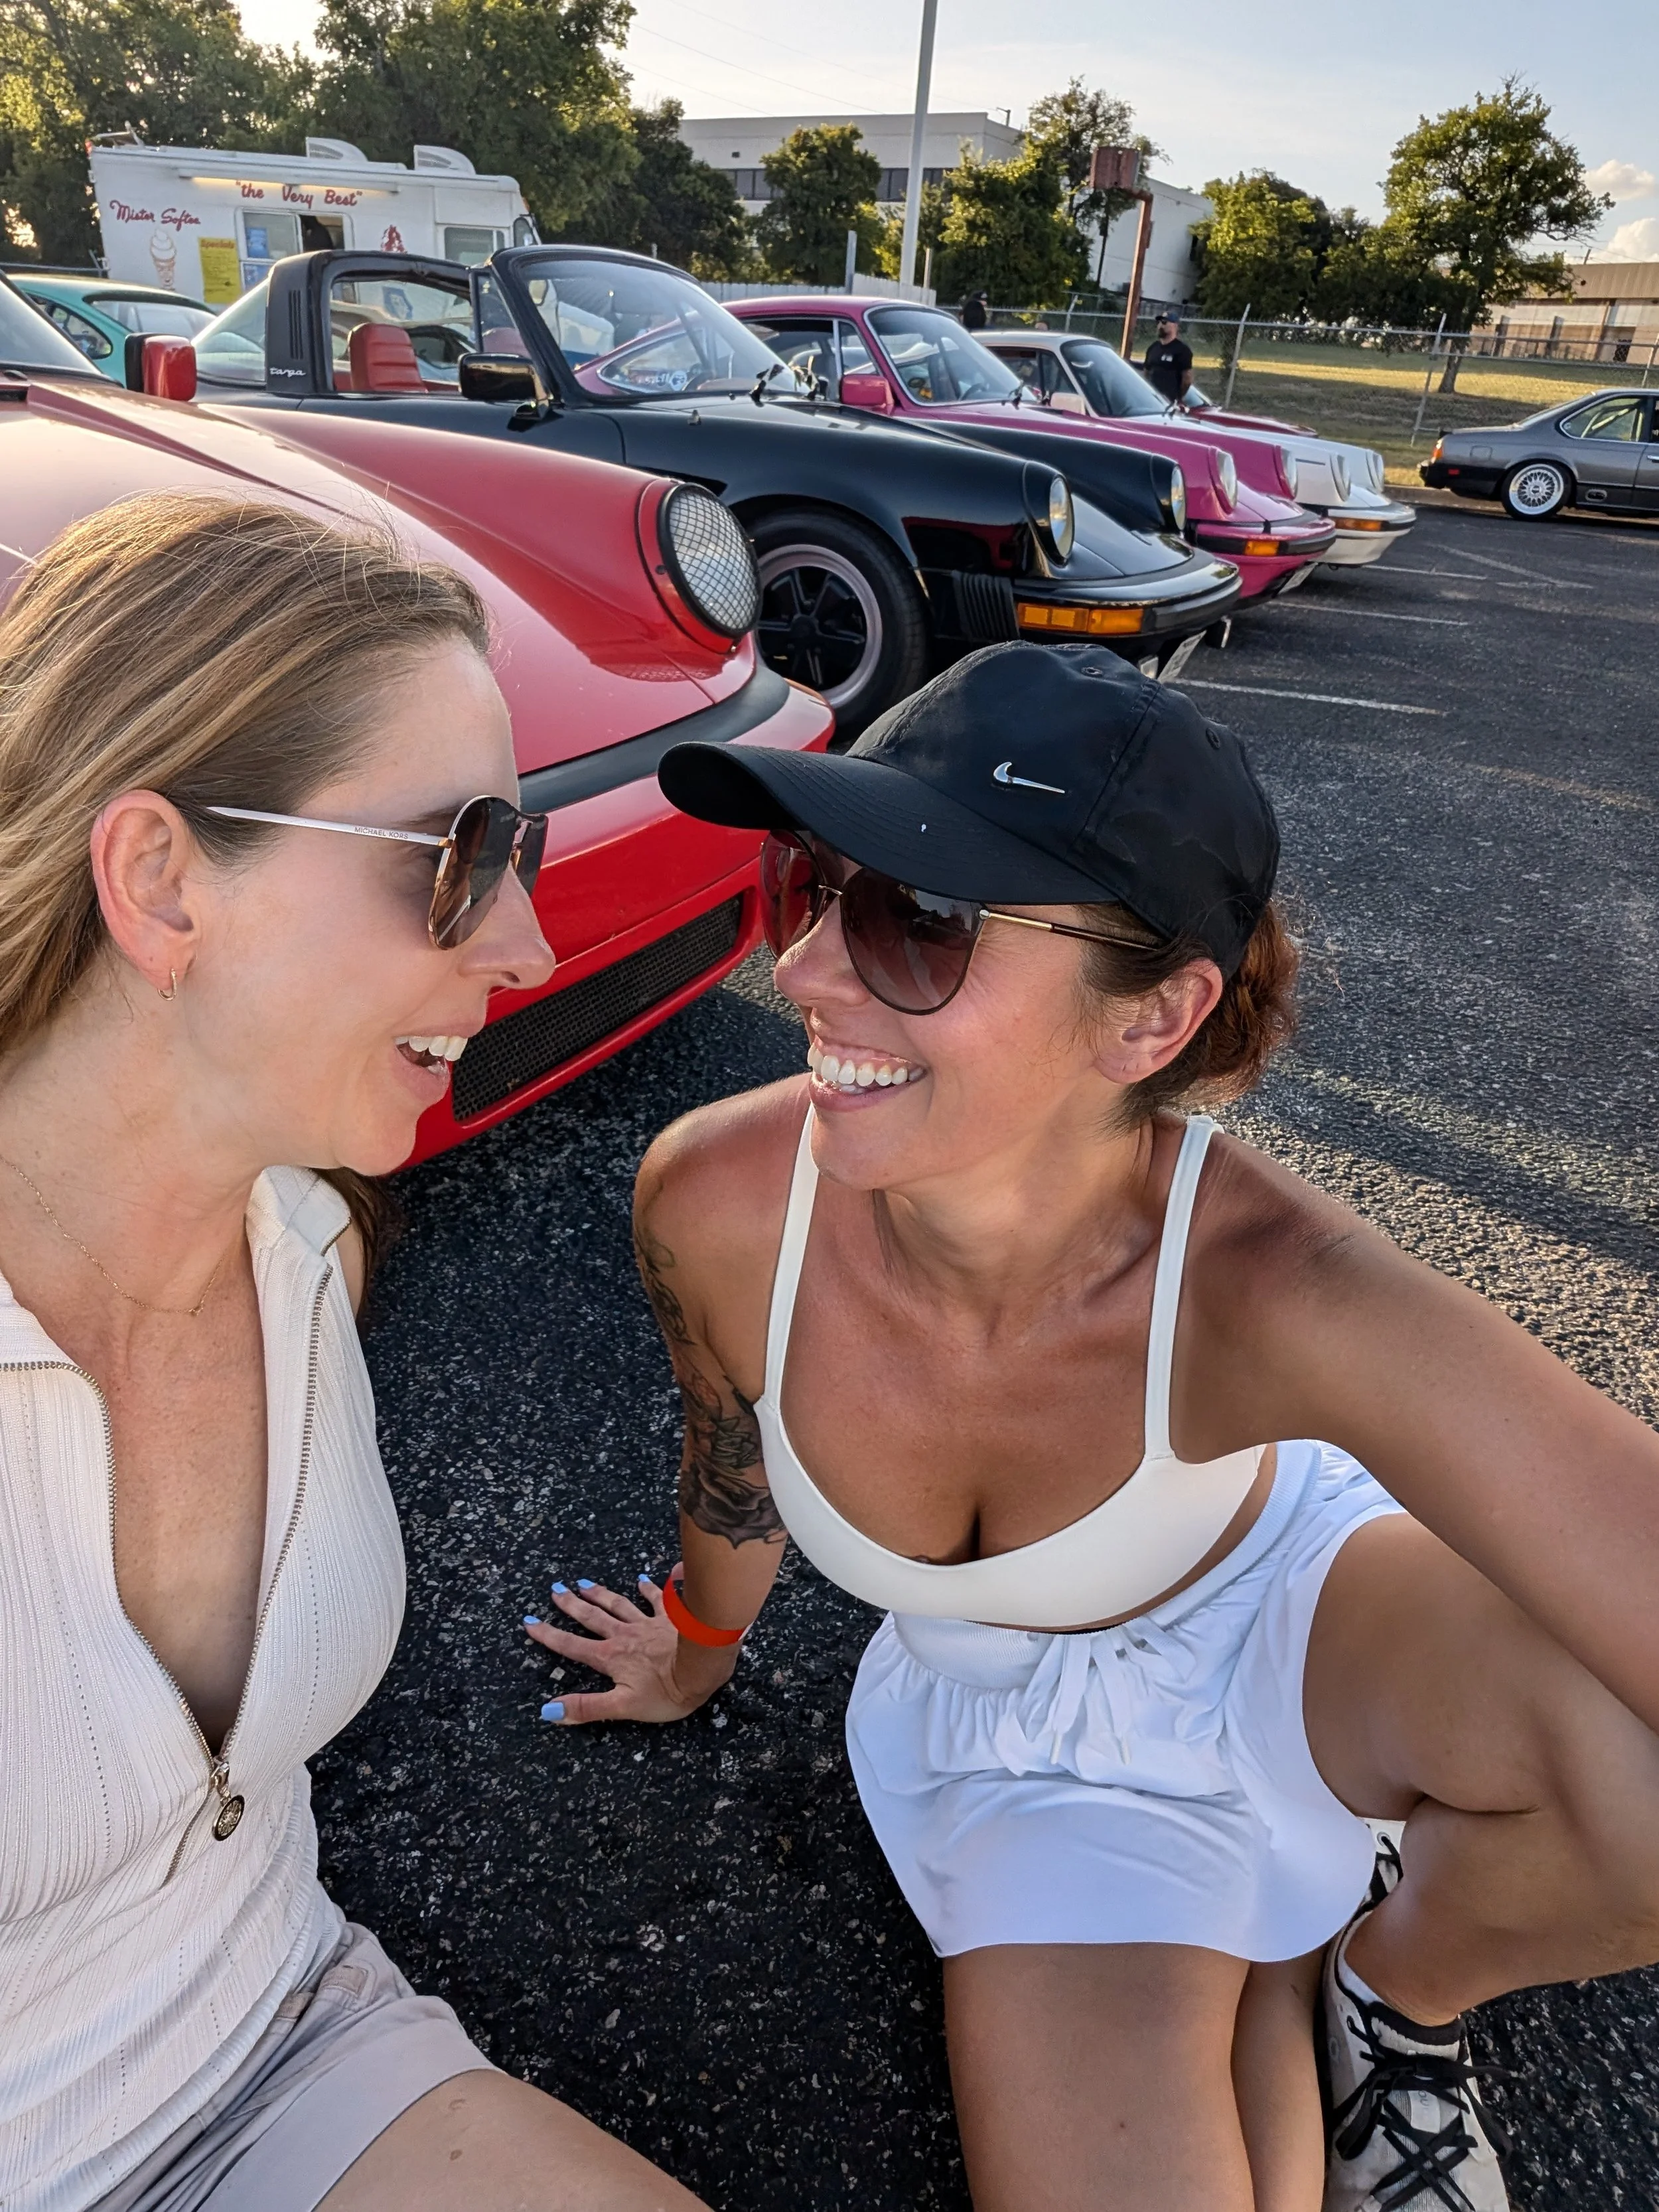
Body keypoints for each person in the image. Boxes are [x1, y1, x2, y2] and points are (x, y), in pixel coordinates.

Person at [528, 644, 1659, 2212]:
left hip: (1292, 1641)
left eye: (917, 920)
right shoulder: (721, 1201)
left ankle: (1395, 1993)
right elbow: (733, 1462)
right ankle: (1292, 1952)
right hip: (1028, 1756)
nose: (799, 971)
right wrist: (692, 1648)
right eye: (812, 882)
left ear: (1152, 1021)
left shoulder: (1279, 1288)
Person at [0, 493, 707, 2212]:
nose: (526, 944)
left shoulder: (302, 1231)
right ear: (161, 879)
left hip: (286, 2024)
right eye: (456, 857)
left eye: (520, 851)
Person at [1143, 311, 1194, 404]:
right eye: (1159, 322)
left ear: (1175, 326)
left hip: (1169, 401)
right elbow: (1146, 373)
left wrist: (1177, 397)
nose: (1160, 325)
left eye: (1164, 322)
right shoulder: (1153, 347)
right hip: (1151, 400)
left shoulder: (1182, 350)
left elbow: (1187, 380)